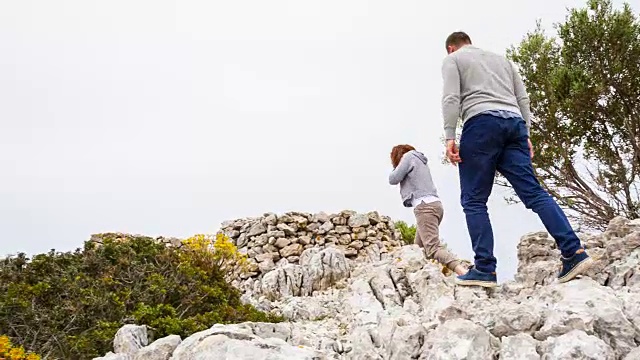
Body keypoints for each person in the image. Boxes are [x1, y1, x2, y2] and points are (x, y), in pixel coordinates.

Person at [440, 31, 593, 288]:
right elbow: (523, 98)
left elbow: (452, 98)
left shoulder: (453, 60)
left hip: (481, 124)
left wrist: (449, 136)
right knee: (534, 193)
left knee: (474, 200)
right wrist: (527, 133)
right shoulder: (503, 61)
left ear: (451, 48)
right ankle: (574, 252)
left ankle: (485, 269)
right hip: (514, 125)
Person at [388, 144, 469, 276]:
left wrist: (396, 167)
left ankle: (462, 272)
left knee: (433, 248)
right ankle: (420, 279)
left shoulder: (408, 157)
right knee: (417, 250)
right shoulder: (419, 160)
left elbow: (393, 179)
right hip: (435, 206)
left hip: (424, 207)